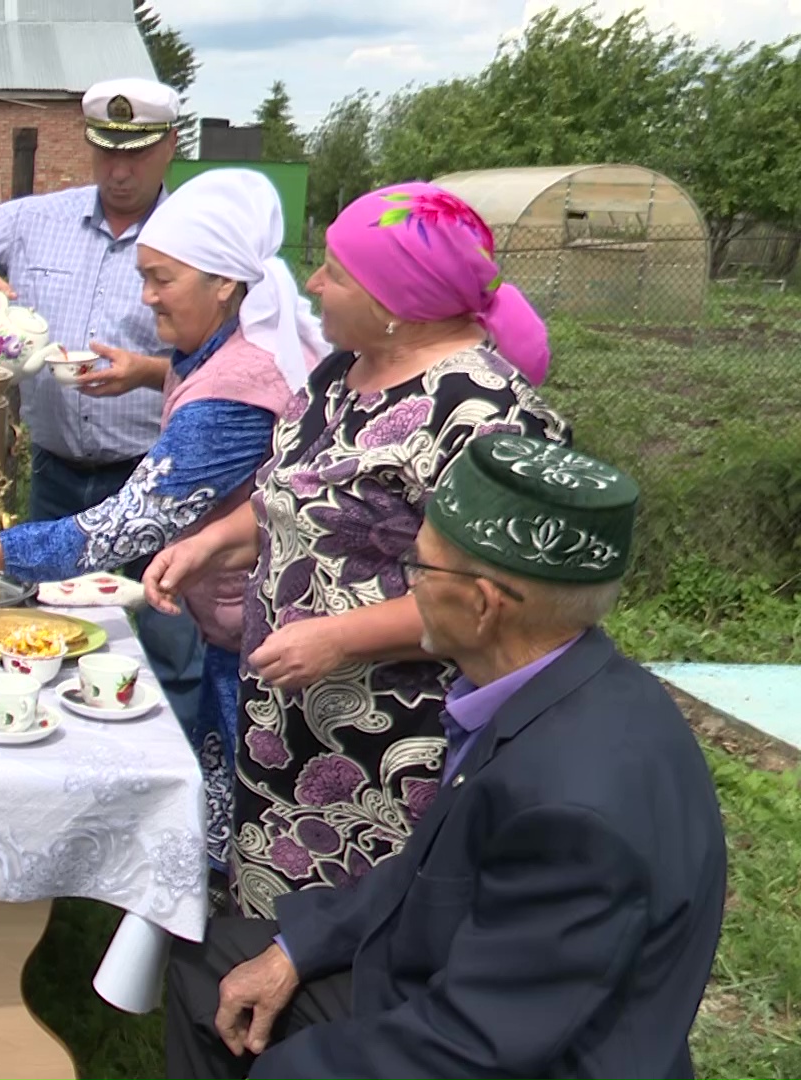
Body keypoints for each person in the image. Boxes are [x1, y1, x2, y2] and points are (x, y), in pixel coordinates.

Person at [164, 434, 726, 1080]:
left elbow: (477, 1048)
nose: (407, 585)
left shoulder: (577, 812)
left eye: (420, 569)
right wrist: (295, 948)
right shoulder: (548, 686)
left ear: (483, 605)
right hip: (461, 984)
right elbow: (427, 872)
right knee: (209, 970)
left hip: (522, 1053)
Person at [144, 182, 569, 916]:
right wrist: (215, 543)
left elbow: (500, 597)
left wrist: (341, 638)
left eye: (335, 271)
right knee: (276, 921)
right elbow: (299, 497)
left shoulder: (484, 416)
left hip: (393, 741)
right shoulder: (342, 374)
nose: (311, 282)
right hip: (293, 717)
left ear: (394, 301)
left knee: (364, 934)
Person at [0, 169, 325, 876]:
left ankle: (226, 928)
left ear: (224, 284)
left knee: (256, 817)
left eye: (162, 279)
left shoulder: (234, 391)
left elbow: (124, 528)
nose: (146, 295)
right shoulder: (243, 347)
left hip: (266, 641)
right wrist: (153, 372)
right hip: (254, 622)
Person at [0, 77, 206, 725]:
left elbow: (236, 369)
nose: (120, 169)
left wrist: (145, 373)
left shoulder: (195, 235)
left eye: (136, 152)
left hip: (154, 480)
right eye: (106, 152)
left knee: (165, 646)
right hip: (55, 474)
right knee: (49, 637)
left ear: (171, 145)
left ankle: (175, 785)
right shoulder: (35, 219)